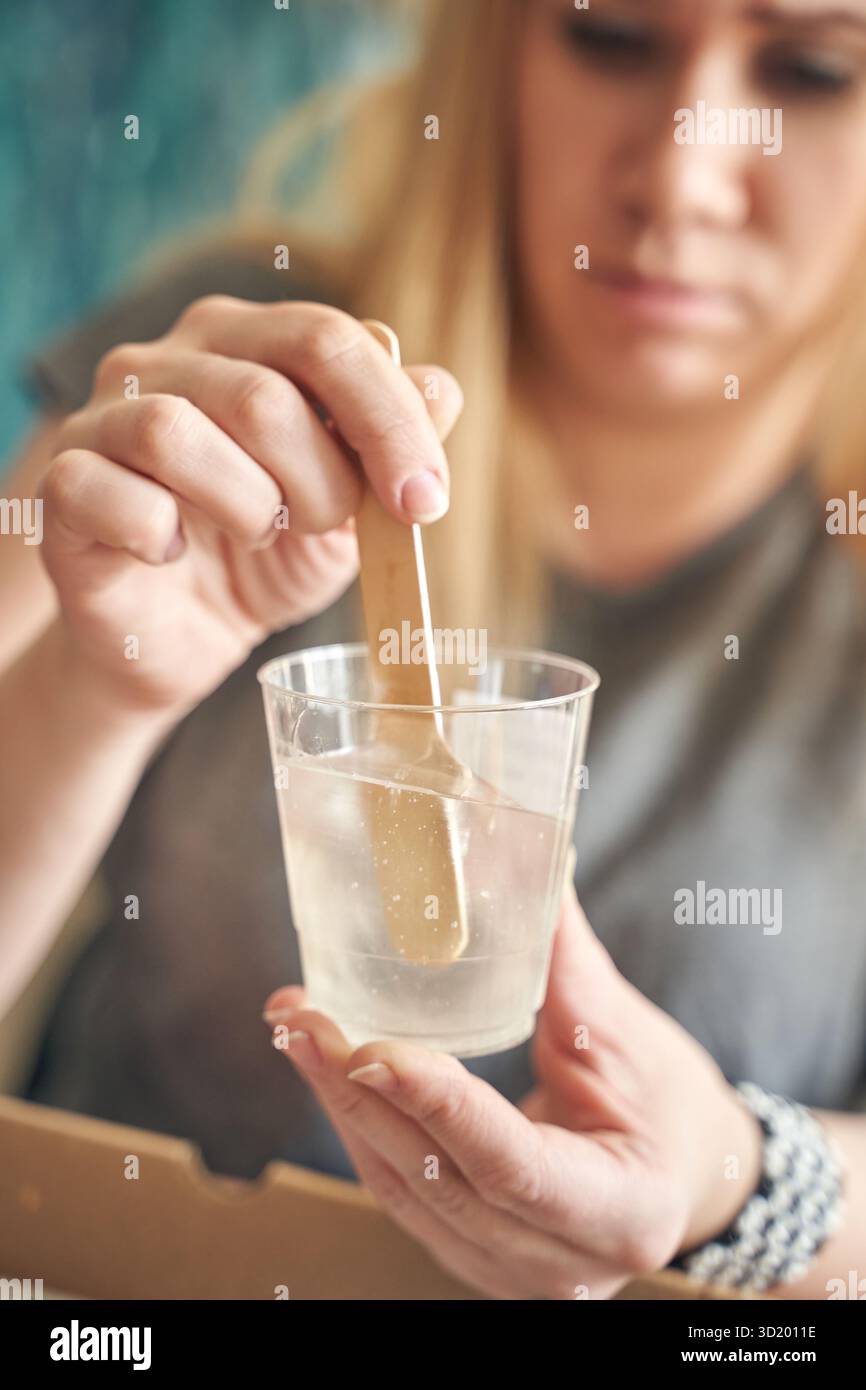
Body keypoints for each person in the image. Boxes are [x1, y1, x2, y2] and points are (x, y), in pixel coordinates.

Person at [2, 0, 866, 1300]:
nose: (680, 177)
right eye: (612, 35)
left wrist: (736, 1178)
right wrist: (92, 691)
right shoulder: (229, 380)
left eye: (810, 68)